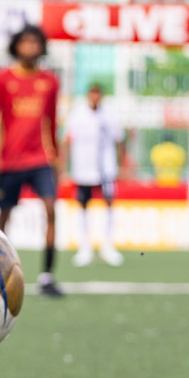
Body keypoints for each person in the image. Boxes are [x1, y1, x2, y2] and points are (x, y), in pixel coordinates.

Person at [0, 25, 62, 296]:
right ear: (16, 46)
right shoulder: (3, 78)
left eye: (35, 42)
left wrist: (57, 154)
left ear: (42, 47)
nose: (30, 47)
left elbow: (52, 120)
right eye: (25, 42)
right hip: (10, 159)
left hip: (40, 158)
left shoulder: (50, 81)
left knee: (51, 209)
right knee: (4, 216)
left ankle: (48, 276)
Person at [64, 82, 125, 268]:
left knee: (108, 202)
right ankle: (85, 246)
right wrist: (62, 167)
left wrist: (122, 164)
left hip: (106, 168)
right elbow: (66, 140)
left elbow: (119, 139)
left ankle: (107, 245)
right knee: (83, 204)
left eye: (98, 93)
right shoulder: (77, 115)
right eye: (92, 93)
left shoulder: (109, 115)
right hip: (83, 168)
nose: (95, 97)